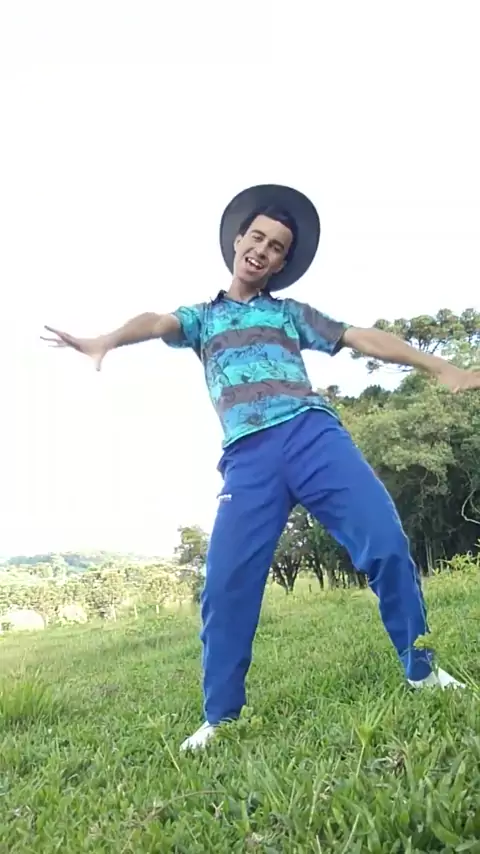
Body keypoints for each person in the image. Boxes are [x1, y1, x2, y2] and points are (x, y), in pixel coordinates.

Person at [42, 184, 478, 752]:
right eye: (257, 238)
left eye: (277, 248)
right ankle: (221, 717)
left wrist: (439, 367)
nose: (263, 250)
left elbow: (362, 337)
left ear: (280, 264)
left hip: (313, 436)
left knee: (387, 543)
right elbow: (155, 321)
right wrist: (108, 339)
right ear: (238, 242)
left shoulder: (290, 315)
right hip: (247, 457)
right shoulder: (202, 318)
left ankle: (422, 670)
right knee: (225, 586)